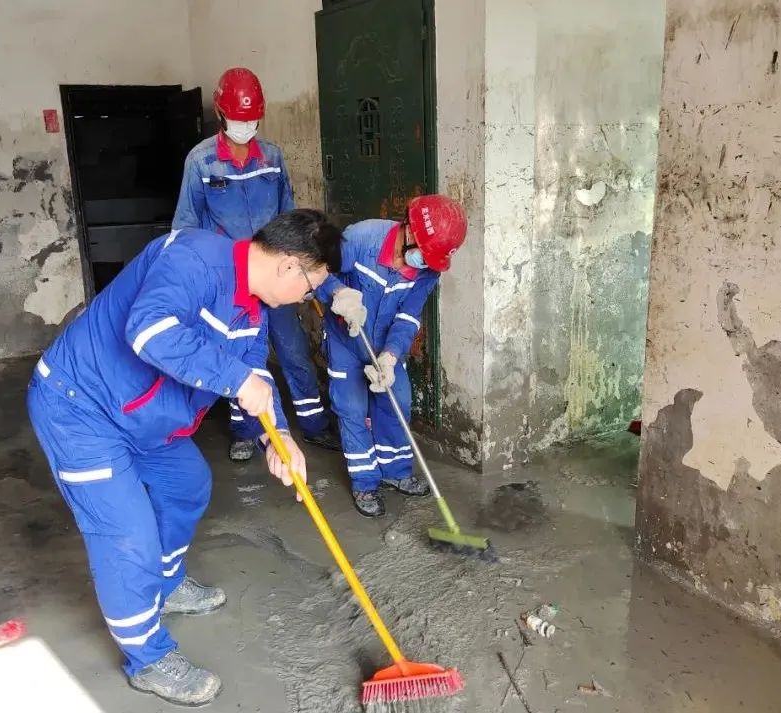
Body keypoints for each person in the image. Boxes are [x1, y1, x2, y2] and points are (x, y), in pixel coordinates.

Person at [27, 209, 343, 707]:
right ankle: (147, 658)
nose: (307, 300)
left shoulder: (253, 309)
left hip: (143, 416)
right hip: (81, 407)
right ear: (289, 265)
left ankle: (165, 584)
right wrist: (235, 380)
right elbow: (149, 329)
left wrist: (278, 436)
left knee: (187, 483)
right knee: (126, 533)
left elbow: (253, 373)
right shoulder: (194, 257)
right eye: (311, 288)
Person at [172, 66, 339, 462]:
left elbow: (291, 219)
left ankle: (314, 425)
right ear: (221, 113)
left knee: (294, 351)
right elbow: (186, 226)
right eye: (238, 118)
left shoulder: (273, 158)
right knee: (239, 357)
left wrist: (303, 270)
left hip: (275, 276)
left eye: (251, 118)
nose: (245, 125)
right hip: (231, 281)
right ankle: (245, 431)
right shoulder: (201, 161)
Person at [317, 195, 467, 517]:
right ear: (410, 230)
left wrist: (390, 355)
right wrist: (339, 294)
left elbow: (408, 316)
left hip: (385, 343)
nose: (426, 263)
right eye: (426, 253)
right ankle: (365, 483)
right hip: (346, 341)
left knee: (397, 400)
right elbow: (318, 271)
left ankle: (396, 473)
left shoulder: (429, 268)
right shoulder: (360, 239)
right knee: (351, 407)